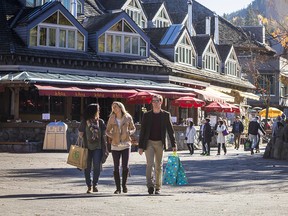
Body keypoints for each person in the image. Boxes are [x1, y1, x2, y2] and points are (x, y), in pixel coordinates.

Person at [138, 94, 177, 195]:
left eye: (156, 101)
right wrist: (141, 146)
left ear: (161, 102)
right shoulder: (147, 115)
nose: (154, 103)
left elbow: (170, 130)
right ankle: (150, 185)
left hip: (160, 142)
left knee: (159, 166)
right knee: (149, 164)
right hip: (149, 142)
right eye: (153, 101)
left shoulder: (165, 115)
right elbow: (142, 131)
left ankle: (158, 187)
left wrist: (174, 144)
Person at [106, 101, 136, 194]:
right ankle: (118, 188)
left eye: (115, 107)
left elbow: (133, 128)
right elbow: (107, 131)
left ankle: (124, 185)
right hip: (115, 145)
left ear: (120, 107)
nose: (114, 109)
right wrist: (113, 136)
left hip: (126, 144)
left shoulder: (127, 117)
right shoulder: (112, 118)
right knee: (116, 167)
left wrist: (129, 133)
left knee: (125, 166)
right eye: (113, 107)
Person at [78, 103, 109, 193]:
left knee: (97, 167)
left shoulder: (101, 122)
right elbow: (80, 134)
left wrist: (105, 147)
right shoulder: (84, 121)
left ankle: (95, 184)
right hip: (87, 147)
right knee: (87, 167)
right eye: (98, 109)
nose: (99, 111)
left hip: (98, 147)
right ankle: (89, 185)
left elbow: (104, 135)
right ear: (93, 111)